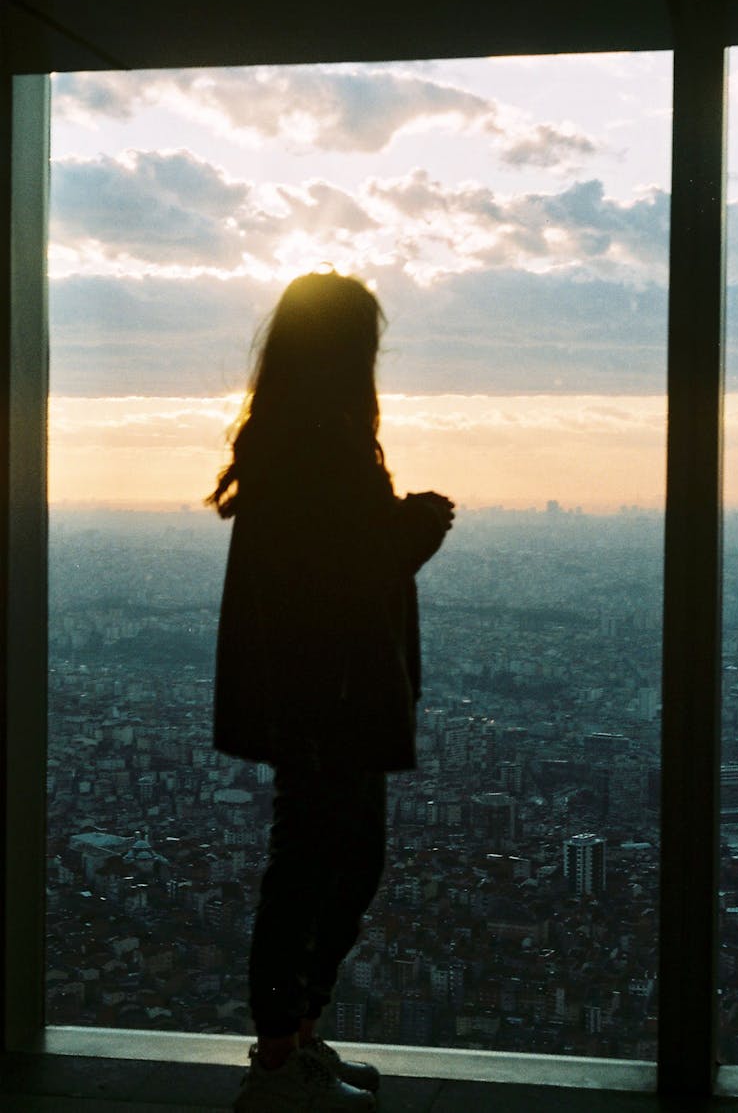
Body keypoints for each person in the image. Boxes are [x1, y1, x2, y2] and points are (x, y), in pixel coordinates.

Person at [208, 270, 454, 1111]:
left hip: (313, 688)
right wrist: (421, 522)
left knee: (330, 860)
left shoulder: (293, 435)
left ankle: (296, 1046)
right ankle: (280, 1060)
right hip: (331, 691)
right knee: (323, 863)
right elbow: (352, 564)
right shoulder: (322, 440)